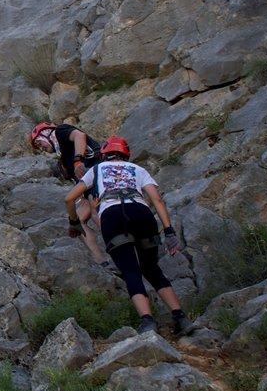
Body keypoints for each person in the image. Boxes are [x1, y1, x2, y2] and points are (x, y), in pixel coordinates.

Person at [64, 135, 191, 335]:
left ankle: (148, 322)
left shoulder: (95, 170)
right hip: (142, 213)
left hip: (113, 216)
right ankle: (180, 317)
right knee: (151, 268)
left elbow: (69, 198)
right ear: (126, 154)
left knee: (130, 269)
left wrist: (74, 222)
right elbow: (156, 199)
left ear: (104, 154)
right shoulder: (139, 170)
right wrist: (169, 231)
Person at [30, 121, 106, 264]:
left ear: (46, 134)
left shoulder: (60, 131)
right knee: (77, 220)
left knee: (96, 213)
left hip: (98, 173)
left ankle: (119, 241)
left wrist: (78, 160)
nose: (42, 148)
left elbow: (79, 135)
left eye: (39, 143)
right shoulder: (64, 158)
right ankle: (101, 260)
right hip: (89, 184)